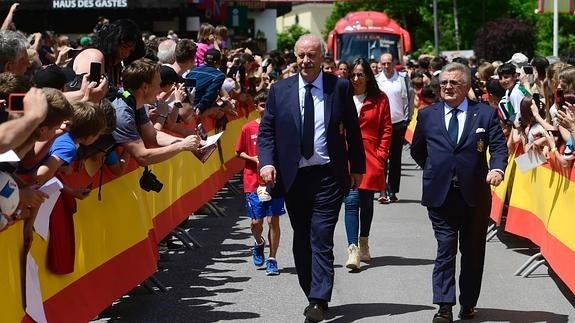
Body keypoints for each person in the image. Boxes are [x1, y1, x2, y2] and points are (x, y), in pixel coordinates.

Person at [258, 34, 365, 323]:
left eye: (312, 56)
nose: (306, 61)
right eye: (301, 56)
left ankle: (319, 299)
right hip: (294, 177)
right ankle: (311, 293)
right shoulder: (279, 91)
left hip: (328, 176)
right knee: (302, 239)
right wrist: (266, 163)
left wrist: (357, 166)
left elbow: (353, 130)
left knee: (321, 236)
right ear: (295, 57)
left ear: (323, 58)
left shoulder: (339, 87)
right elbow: (266, 132)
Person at [410, 62, 508, 323]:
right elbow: (418, 150)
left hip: (475, 195)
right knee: (445, 248)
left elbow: (499, 147)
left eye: (454, 83)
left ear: (466, 86)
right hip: (440, 195)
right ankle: (444, 306)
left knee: (473, 251)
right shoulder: (428, 115)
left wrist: (497, 169)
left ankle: (468, 303)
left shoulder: (484, 114)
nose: (448, 87)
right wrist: (436, 169)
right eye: (444, 83)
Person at [343, 58, 392, 271]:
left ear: (368, 76)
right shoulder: (342, 96)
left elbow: (387, 128)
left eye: (360, 74)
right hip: (347, 155)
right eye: (352, 74)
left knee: (367, 202)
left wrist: (382, 154)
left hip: (371, 155)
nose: (356, 79)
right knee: (351, 200)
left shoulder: (380, 99)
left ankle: (364, 242)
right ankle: (352, 249)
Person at [236, 91, 285, 276]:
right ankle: (258, 243)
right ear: (257, 107)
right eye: (262, 105)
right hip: (253, 181)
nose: (265, 109)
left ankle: (272, 258)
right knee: (256, 223)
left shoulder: (280, 128)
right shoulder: (248, 128)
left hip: (274, 181)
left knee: (273, 220)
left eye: (268, 105)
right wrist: (254, 158)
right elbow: (238, 152)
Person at [376, 53, 413, 203]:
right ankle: (381, 189)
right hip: (381, 124)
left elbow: (410, 98)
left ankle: (392, 189)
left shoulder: (402, 78)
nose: (386, 66)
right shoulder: (377, 80)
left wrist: (408, 117)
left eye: (389, 63)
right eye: (383, 63)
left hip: (399, 123)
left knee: (395, 158)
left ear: (394, 63)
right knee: (382, 157)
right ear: (380, 64)